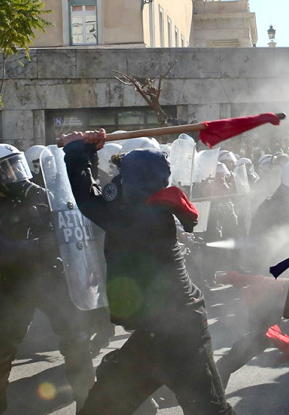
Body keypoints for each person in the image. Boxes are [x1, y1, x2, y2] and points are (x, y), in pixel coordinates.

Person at [62, 132, 234, 415]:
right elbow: (102, 193)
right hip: (156, 333)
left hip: (181, 335)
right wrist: (89, 153)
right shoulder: (142, 205)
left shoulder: (144, 216)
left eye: (124, 176)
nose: (118, 181)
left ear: (137, 183)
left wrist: (74, 151)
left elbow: (89, 201)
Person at [0, 144, 95, 415]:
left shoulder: (42, 195)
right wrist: (41, 244)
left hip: (52, 281)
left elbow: (67, 228)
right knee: (0, 348)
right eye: (6, 169)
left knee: (76, 341)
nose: (16, 173)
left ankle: (88, 403)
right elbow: (0, 249)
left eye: (17, 164)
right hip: (14, 285)